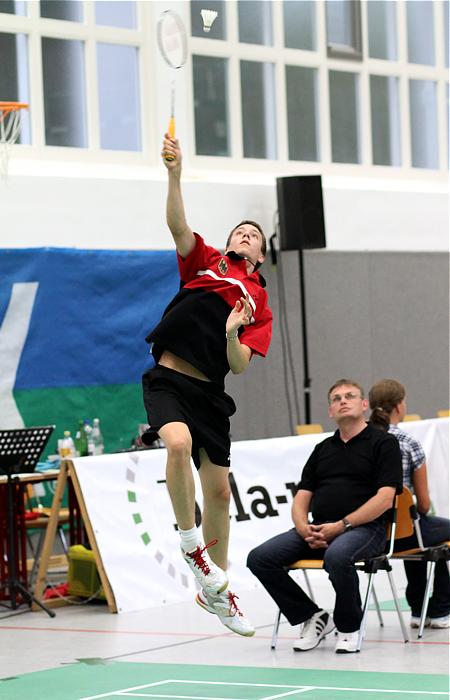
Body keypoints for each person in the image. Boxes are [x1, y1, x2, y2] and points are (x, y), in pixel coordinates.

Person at [142, 133, 273, 637]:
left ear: (261, 255)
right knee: (177, 443)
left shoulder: (258, 303)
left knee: (219, 493)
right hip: (169, 378)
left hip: (210, 392)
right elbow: (177, 224)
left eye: (252, 235)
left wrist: (232, 331)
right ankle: (190, 544)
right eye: (239, 230)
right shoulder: (208, 262)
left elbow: (239, 365)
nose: (243, 235)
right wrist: (175, 174)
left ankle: (216, 589)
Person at [247, 379, 403, 654]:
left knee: (337, 556)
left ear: (364, 405)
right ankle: (311, 616)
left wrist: (342, 526)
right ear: (330, 411)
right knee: (260, 558)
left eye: (350, 396)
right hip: (318, 529)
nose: (343, 401)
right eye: (336, 398)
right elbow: (302, 496)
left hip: (366, 529)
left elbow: (385, 498)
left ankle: (348, 627)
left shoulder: (384, 443)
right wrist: (303, 527)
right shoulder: (322, 449)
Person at [369, 379, 450, 629]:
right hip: (401, 530)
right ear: (398, 406)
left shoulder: (359, 441)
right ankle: (439, 609)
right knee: (423, 532)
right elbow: (423, 505)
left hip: (367, 531)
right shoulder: (409, 443)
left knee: (414, 533)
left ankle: (418, 608)